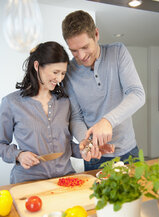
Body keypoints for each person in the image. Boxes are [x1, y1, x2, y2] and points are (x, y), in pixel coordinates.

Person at [62, 10, 145, 171]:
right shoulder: (69, 72)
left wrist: (107, 121)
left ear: (96, 34)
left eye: (85, 47)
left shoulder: (118, 52)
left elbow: (137, 93)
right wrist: (84, 140)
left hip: (129, 152)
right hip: (95, 157)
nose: (81, 55)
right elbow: (77, 117)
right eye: (74, 50)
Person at [0, 41, 79, 184]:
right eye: (55, 72)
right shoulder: (11, 103)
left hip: (65, 180)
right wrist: (19, 155)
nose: (59, 79)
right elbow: (1, 144)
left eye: (63, 73)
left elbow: (66, 146)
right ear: (37, 66)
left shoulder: (64, 102)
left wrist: (85, 150)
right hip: (28, 183)